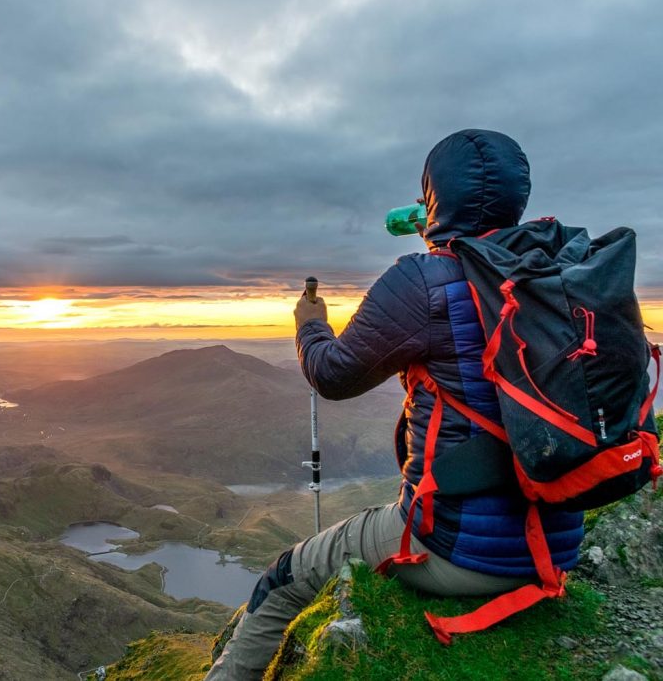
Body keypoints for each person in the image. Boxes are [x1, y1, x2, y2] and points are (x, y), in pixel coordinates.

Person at [204, 129, 585, 679]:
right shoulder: (561, 273)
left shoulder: (424, 280)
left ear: (435, 197)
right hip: (557, 539)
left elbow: (332, 375)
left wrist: (310, 324)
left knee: (283, 577)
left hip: (458, 550)